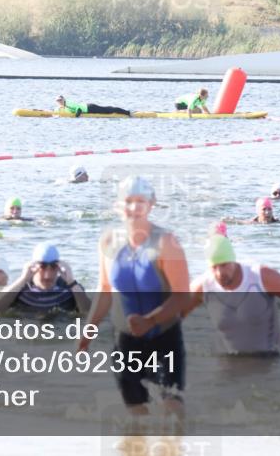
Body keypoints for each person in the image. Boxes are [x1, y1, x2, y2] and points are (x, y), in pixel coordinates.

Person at [78, 176, 190, 421]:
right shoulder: (108, 242)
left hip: (164, 338)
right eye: (128, 201)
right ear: (118, 205)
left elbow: (183, 296)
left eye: (141, 201)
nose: (134, 208)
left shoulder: (166, 242)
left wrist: (150, 320)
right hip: (125, 341)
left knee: (171, 406)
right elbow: (105, 290)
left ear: (151, 205)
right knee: (137, 414)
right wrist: (87, 333)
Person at [186, 235, 280, 356]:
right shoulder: (203, 286)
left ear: (233, 260)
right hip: (227, 365)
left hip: (270, 363)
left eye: (224, 265)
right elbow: (173, 317)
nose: (220, 273)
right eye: (214, 267)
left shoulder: (260, 277)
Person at [0, 242, 90, 315]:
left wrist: (71, 282)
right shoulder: (20, 288)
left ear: (59, 267)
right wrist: (22, 280)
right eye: (43, 267)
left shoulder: (70, 288)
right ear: (34, 267)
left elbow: (88, 313)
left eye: (53, 267)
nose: (47, 275)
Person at [56, 95, 131, 117]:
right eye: (58, 101)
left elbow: (79, 110)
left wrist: (76, 118)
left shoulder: (68, 104)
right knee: (108, 110)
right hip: (88, 107)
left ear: (63, 99)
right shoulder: (65, 106)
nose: (59, 102)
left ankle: (128, 113)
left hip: (90, 108)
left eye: (60, 100)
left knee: (109, 110)